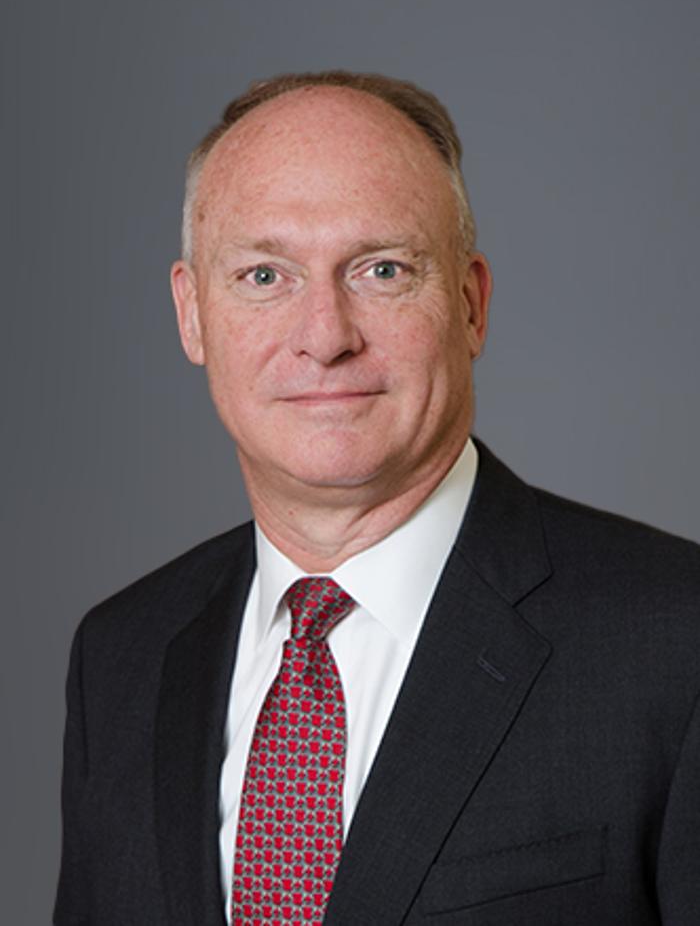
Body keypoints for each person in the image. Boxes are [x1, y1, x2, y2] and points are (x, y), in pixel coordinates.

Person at [54, 71, 700, 926]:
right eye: (264, 275)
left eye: (382, 269)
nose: (325, 336)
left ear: (469, 305)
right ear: (192, 314)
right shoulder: (121, 658)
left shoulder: (676, 639)